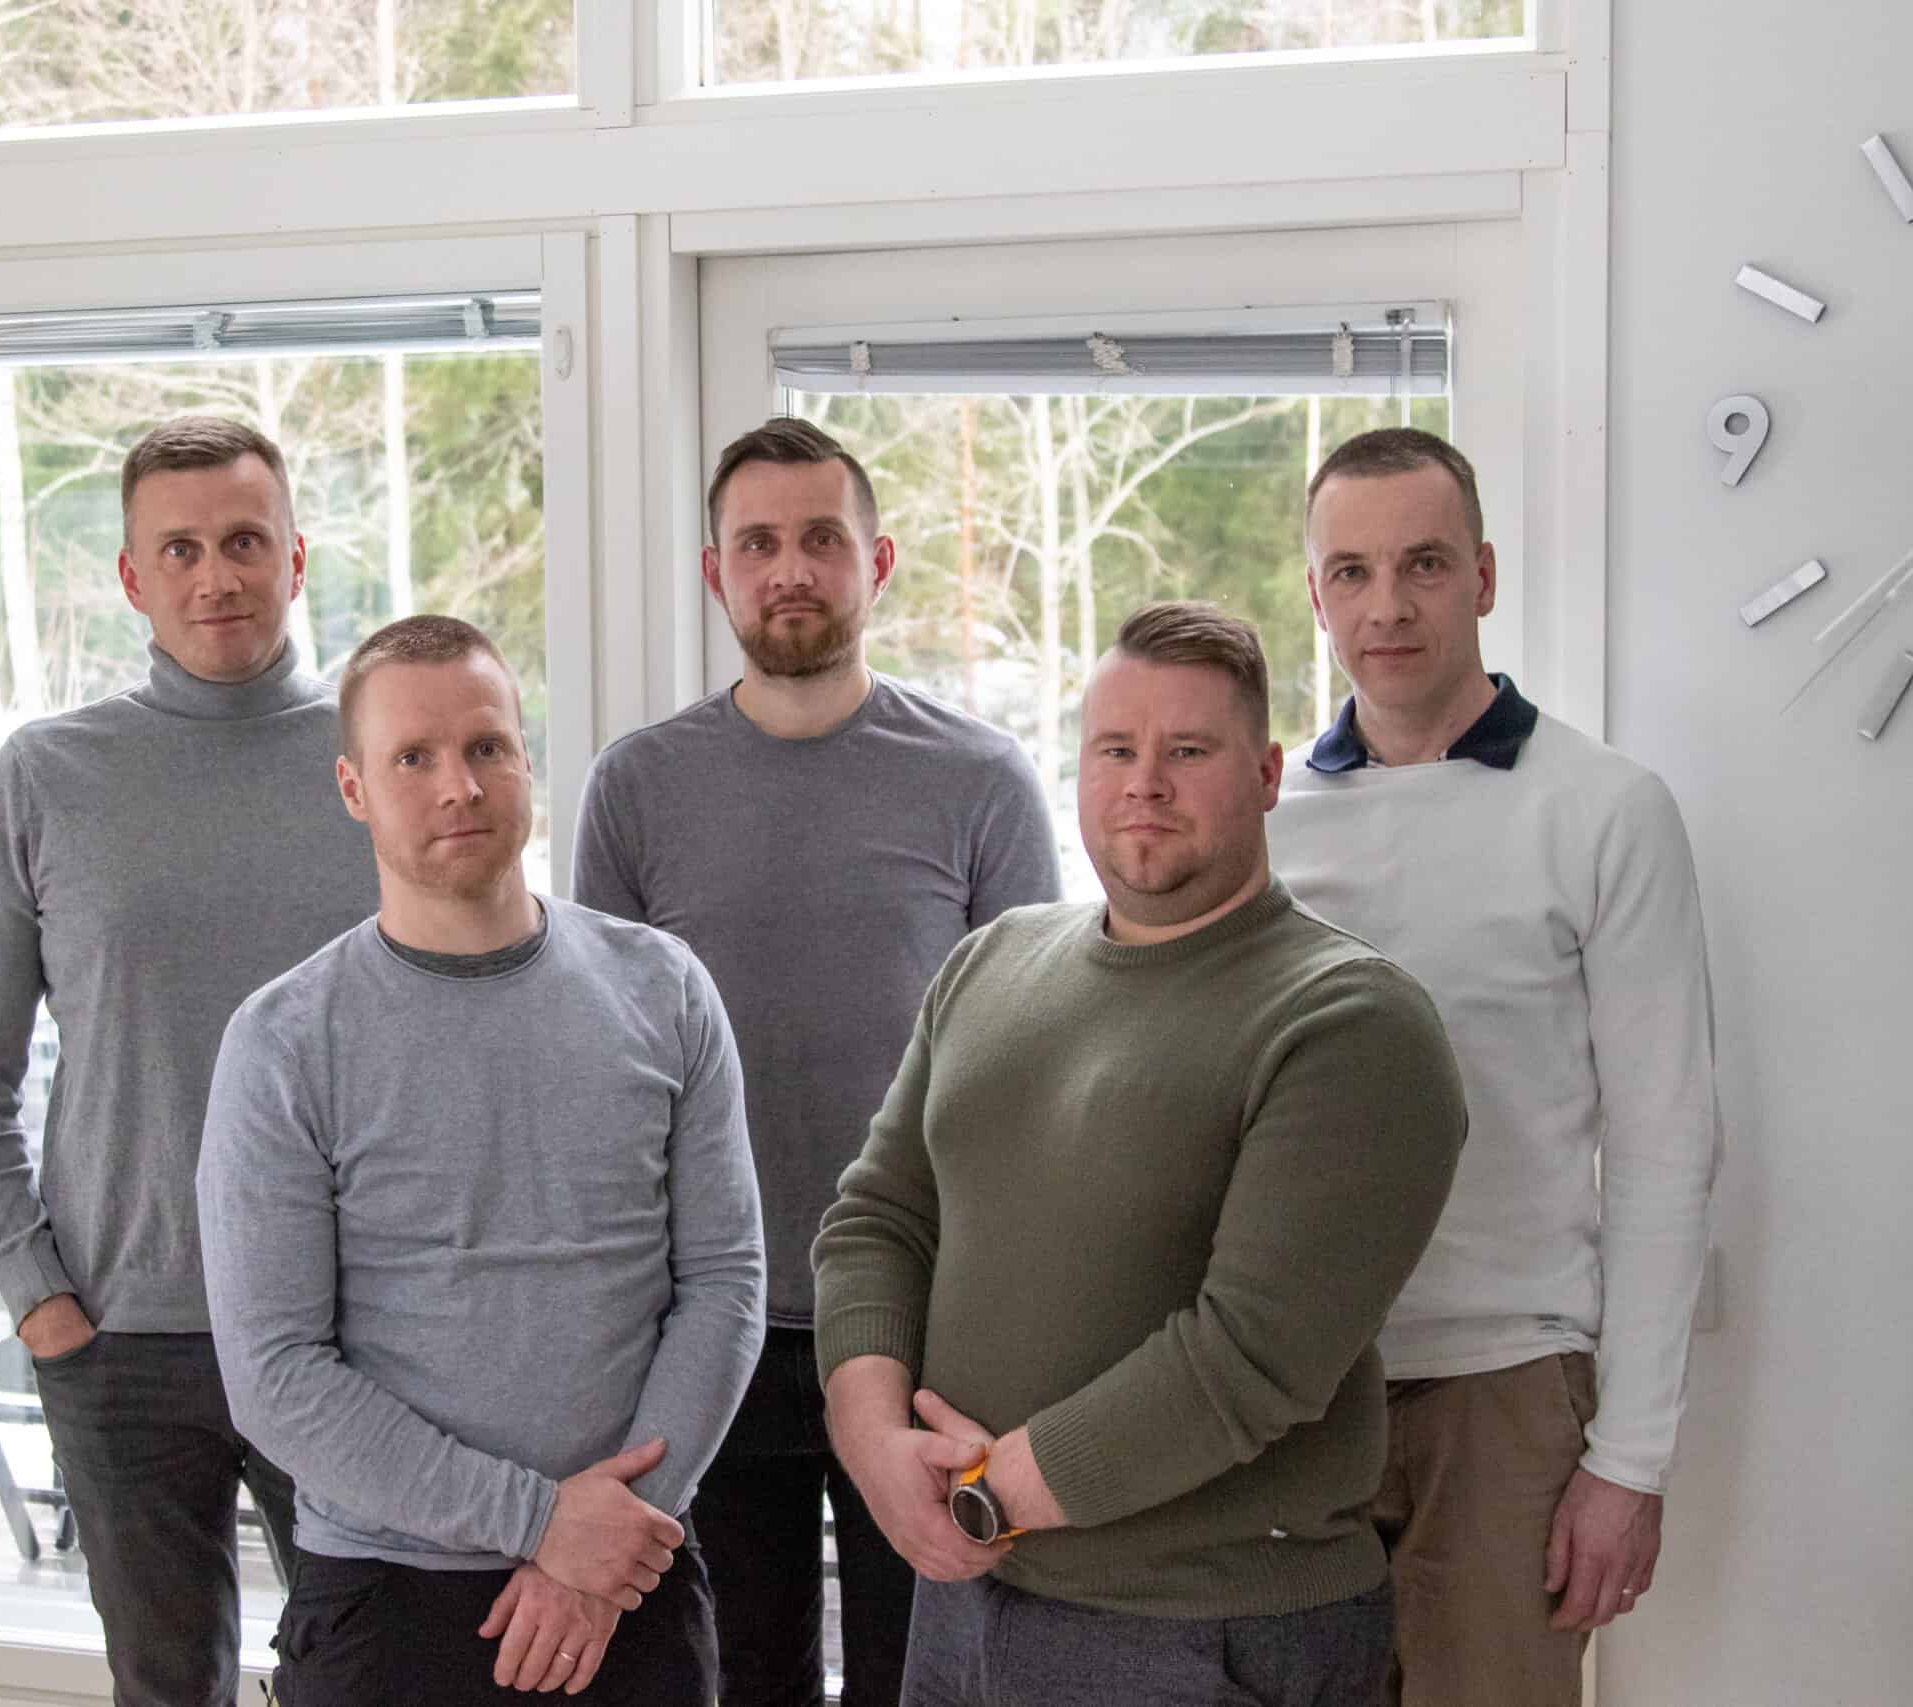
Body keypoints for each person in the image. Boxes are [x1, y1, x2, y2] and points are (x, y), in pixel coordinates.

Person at [815, 600, 1468, 1706]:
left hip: (1196, 1629)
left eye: (1188, 751)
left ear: (1267, 773)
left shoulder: (1351, 1023)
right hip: (960, 1603)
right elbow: (878, 1218)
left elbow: (1248, 1356)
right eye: (1115, 750)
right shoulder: (990, 963)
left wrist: (986, 1495)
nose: (1144, 783)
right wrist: (874, 1445)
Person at [573, 416, 1059, 1707]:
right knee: (745, 1678)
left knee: (922, 1676)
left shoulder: (981, 780)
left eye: (821, 540)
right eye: (758, 544)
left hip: (923, 1326)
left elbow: (1032, 1073)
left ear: (877, 561)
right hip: (706, 1329)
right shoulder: (635, 788)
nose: (790, 569)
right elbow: (605, 1078)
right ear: (714, 571)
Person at [200, 614, 765, 1705]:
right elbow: (275, 1374)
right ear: (354, 788)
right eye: (412, 757)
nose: (458, 786)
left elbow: (725, 1282)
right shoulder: (283, 1041)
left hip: (635, 1576)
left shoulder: (664, 989)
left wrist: (607, 1542)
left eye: (486, 747)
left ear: (525, 759)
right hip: (387, 1602)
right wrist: (543, 1524)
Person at [1268, 427, 1722, 1706]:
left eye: (1421, 564)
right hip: (1295, 1390)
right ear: (1315, 596)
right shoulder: (1269, 825)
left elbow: (1665, 1145)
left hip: (1509, 1386)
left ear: (1481, 575)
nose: (1386, 606)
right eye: (1350, 572)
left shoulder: (1605, 809)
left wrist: (1628, 1463)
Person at [0, 417, 379, 1707]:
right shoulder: (45, 777)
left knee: (370, 1678)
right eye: (178, 550)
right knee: (166, 1687)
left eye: (244, 542)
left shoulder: (380, 759)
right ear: (132, 577)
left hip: (351, 1330)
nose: (215, 577)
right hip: (121, 1342)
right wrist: (37, 1296)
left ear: (295, 557)